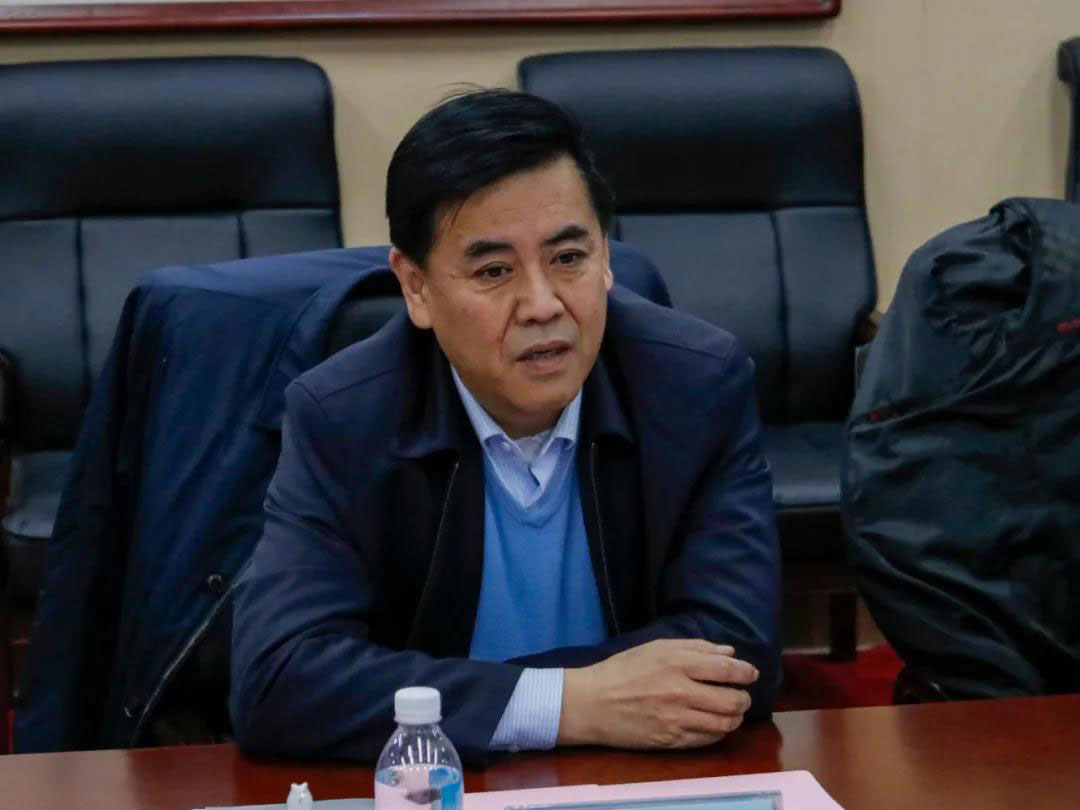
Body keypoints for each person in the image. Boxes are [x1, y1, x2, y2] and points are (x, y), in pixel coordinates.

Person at [230, 89, 781, 764]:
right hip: (438, 793)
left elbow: (739, 651)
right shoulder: (342, 416)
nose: (542, 305)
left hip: (637, 779)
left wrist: (476, 698)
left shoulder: (695, 384)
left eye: (569, 258)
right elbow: (280, 680)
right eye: (494, 271)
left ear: (607, 257)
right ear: (416, 287)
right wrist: (567, 703)